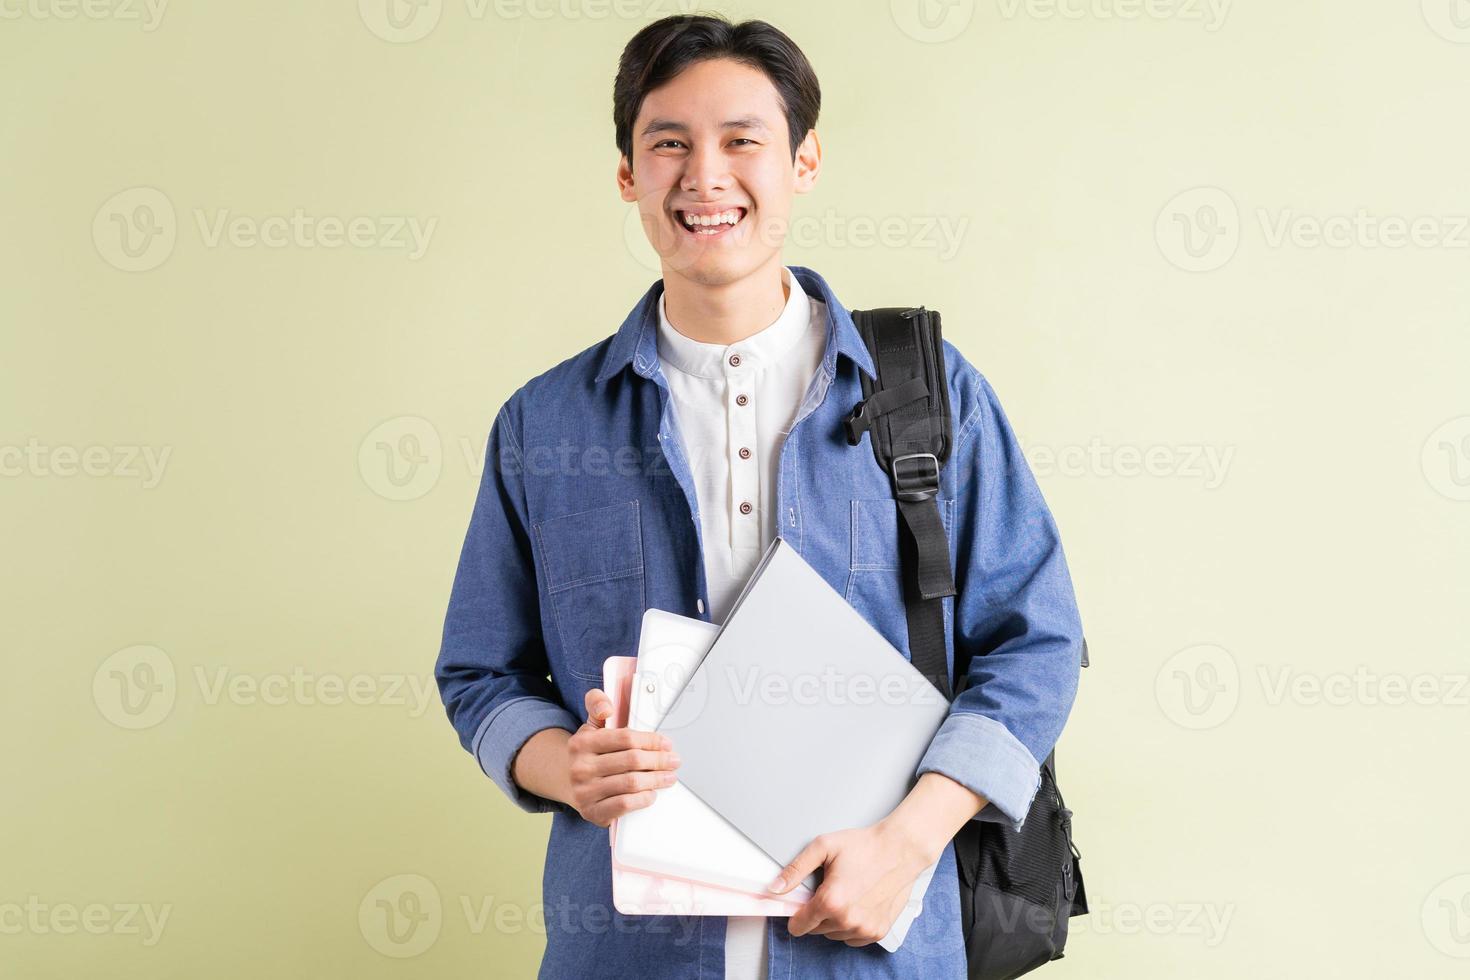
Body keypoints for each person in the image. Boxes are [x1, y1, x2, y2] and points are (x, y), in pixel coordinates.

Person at [434, 14, 1084, 979]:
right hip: (627, 955)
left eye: (743, 140)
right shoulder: (546, 425)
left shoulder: (927, 396)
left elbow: (1037, 644)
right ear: (627, 173)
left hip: (876, 951)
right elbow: (480, 672)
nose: (705, 176)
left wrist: (907, 843)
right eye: (668, 143)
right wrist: (555, 765)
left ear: (803, 161)